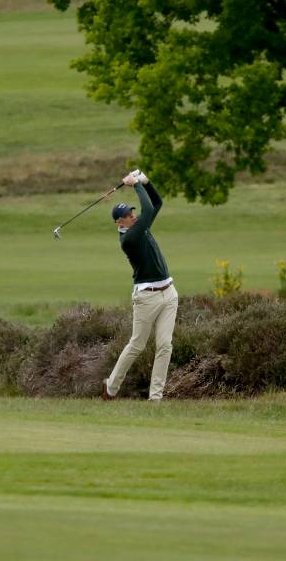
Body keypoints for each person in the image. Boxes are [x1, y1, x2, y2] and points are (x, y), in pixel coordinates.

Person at [102, 169, 179, 401]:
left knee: (165, 345)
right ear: (119, 222)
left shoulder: (140, 226)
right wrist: (136, 184)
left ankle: (155, 398)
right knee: (137, 345)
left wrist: (146, 182)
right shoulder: (129, 239)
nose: (133, 216)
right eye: (127, 215)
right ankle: (111, 388)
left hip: (169, 292)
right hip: (146, 297)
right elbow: (147, 210)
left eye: (132, 212)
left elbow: (156, 203)